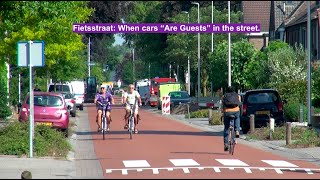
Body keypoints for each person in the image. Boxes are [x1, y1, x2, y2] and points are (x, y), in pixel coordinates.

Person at [221, 86, 241, 151]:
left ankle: (226, 144)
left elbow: (222, 106)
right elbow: (239, 104)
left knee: (226, 127)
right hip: (235, 111)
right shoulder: (238, 96)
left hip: (227, 112)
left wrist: (223, 113)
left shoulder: (224, 96)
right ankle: (237, 130)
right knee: (237, 117)